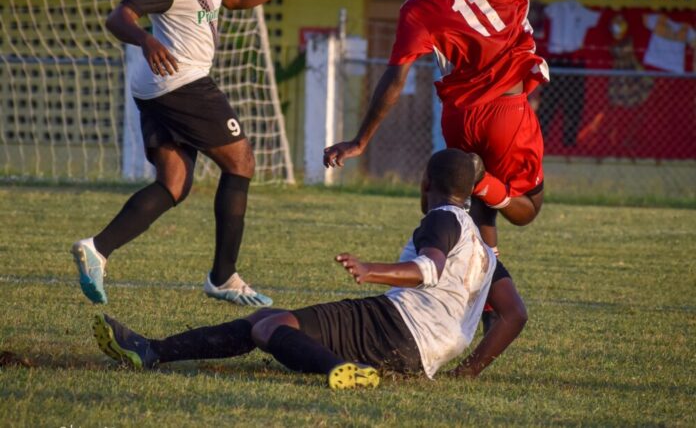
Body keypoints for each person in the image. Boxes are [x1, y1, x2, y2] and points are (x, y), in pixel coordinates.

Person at [322, 0, 682, 255]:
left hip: (460, 119)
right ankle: (479, 179)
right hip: (505, 114)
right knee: (527, 207)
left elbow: (394, 79)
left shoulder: (418, 8)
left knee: (482, 209)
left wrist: (360, 140)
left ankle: (490, 294)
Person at [91, 149, 527, 389]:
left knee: (270, 327)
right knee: (263, 320)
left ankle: (340, 371)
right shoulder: (485, 250)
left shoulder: (441, 219)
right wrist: (469, 370)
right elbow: (513, 314)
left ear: (426, 185)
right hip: (424, 355)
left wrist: (370, 268)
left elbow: (428, 269)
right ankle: (154, 351)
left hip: (399, 326)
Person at [71, 0, 326, 306]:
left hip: (157, 87)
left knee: (174, 185)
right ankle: (224, 276)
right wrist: (147, 40)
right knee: (241, 162)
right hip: (181, 81)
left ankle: (96, 249)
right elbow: (117, 18)